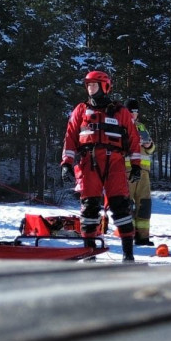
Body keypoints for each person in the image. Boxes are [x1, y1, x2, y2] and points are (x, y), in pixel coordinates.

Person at [60, 70, 141, 261]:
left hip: (114, 162)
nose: (90, 88)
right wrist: (66, 163)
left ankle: (128, 254)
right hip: (89, 162)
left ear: (105, 86)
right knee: (89, 208)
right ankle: (89, 254)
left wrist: (136, 165)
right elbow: (70, 137)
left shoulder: (121, 112)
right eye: (88, 85)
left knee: (120, 207)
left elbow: (134, 139)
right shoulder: (80, 110)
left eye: (94, 84)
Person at [126, 99, 155, 245]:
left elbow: (151, 149)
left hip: (144, 172)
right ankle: (127, 236)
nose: (134, 114)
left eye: (136, 112)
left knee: (144, 205)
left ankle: (143, 237)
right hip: (127, 171)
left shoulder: (141, 127)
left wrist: (149, 145)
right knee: (127, 205)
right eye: (131, 112)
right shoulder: (121, 126)